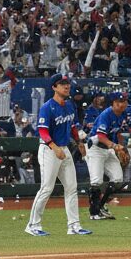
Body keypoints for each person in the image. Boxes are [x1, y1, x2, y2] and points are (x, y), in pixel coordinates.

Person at [25, 73, 93, 237]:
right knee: (46, 188)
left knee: (71, 187)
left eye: (67, 83)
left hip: (64, 149)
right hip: (49, 150)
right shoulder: (47, 107)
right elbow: (42, 131)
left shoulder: (70, 105)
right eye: (62, 84)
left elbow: (73, 126)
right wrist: (54, 147)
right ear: (54, 87)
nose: (67, 86)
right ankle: (32, 225)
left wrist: (79, 142)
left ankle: (74, 226)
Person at [86, 92, 129, 220]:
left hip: (108, 149)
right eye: (118, 102)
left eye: (124, 102)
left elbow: (118, 133)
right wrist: (115, 147)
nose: (122, 104)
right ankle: (94, 212)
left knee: (117, 179)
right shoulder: (106, 114)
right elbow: (101, 136)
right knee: (96, 181)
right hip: (95, 149)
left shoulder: (123, 114)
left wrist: (122, 149)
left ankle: (101, 206)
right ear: (113, 103)